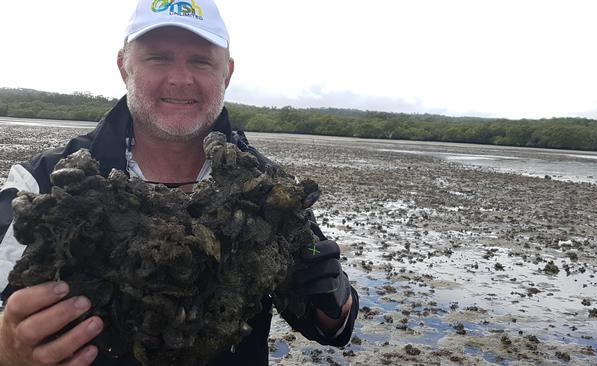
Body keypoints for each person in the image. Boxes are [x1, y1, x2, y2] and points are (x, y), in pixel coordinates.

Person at [0, 0, 359, 364]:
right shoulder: (43, 185)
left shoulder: (265, 188)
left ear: (227, 73)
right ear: (124, 65)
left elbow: (331, 325)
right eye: (158, 58)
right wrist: (7, 349)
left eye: (201, 61)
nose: (180, 78)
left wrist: (332, 294)